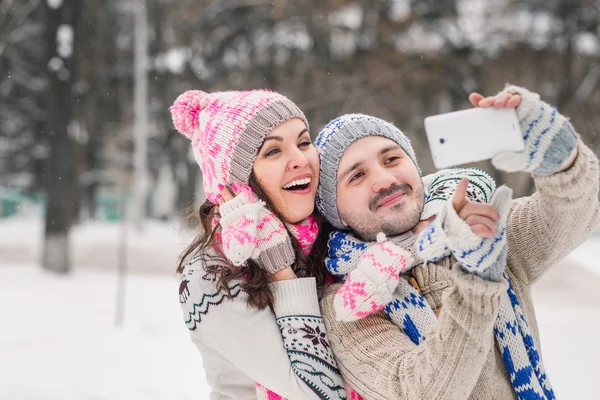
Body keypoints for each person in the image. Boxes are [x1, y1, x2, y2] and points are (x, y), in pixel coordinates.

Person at [313, 85, 600, 400]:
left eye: (392, 159)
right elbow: (420, 392)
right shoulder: (347, 302)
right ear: (334, 211)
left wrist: (561, 157)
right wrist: (478, 280)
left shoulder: (482, 225)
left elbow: (575, 213)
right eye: (356, 176)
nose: (385, 179)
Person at [171, 89, 348, 399]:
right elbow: (319, 392)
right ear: (236, 184)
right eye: (272, 151)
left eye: (304, 142)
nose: (300, 159)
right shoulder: (211, 275)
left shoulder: (335, 236)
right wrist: (279, 266)